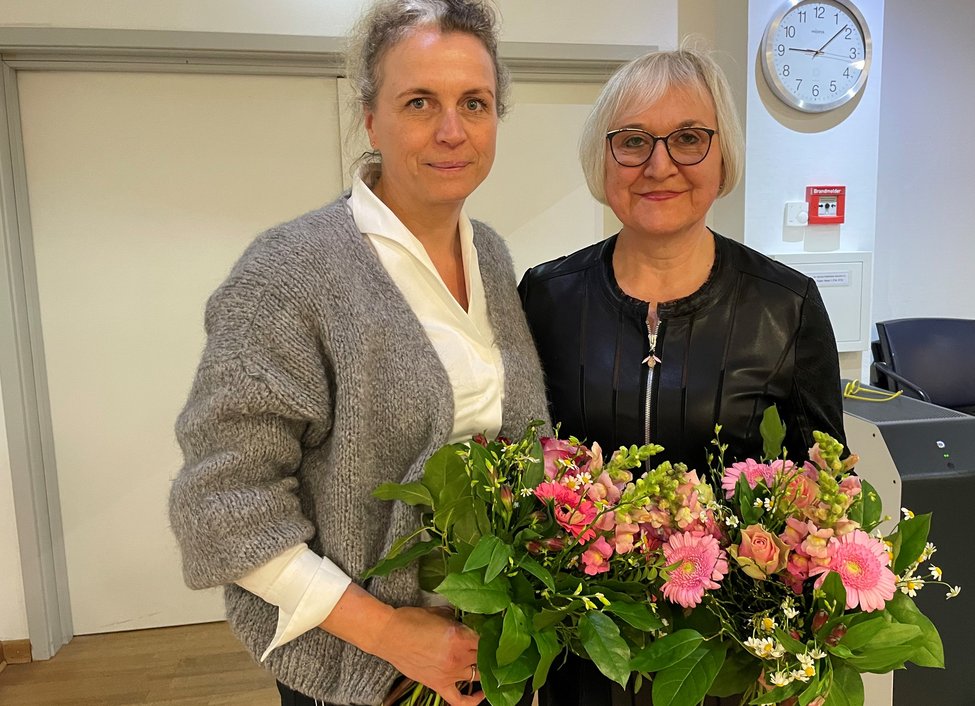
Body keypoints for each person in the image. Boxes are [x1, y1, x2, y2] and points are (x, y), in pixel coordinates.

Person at [168, 2, 549, 705]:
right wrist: (393, 636)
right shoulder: (291, 272)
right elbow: (222, 503)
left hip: (489, 648)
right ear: (371, 119)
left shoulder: (490, 256)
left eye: (474, 102)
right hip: (362, 669)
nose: (451, 130)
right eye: (419, 102)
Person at [517, 47, 847, 706]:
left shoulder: (786, 307)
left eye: (689, 138)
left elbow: (826, 500)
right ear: (603, 159)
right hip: (579, 658)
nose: (659, 165)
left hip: (722, 664)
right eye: (633, 140)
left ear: (723, 157)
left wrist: (799, 658)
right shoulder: (545, 298)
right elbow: (517, 471)